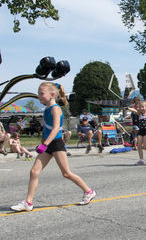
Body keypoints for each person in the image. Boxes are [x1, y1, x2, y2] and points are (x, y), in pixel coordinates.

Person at [11, 82, 95, 212]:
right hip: (47, 144)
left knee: (66, 173)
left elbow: (56, 128)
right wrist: (42, 141)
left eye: (41, 93)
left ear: (52, 95)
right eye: (38, 93)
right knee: (34, 172)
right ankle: (28, 202)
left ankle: (89, 191)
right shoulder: (46, 109)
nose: (39, 96)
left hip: (56, 144)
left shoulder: (56, 109)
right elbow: (46, 129)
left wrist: (45, 144)